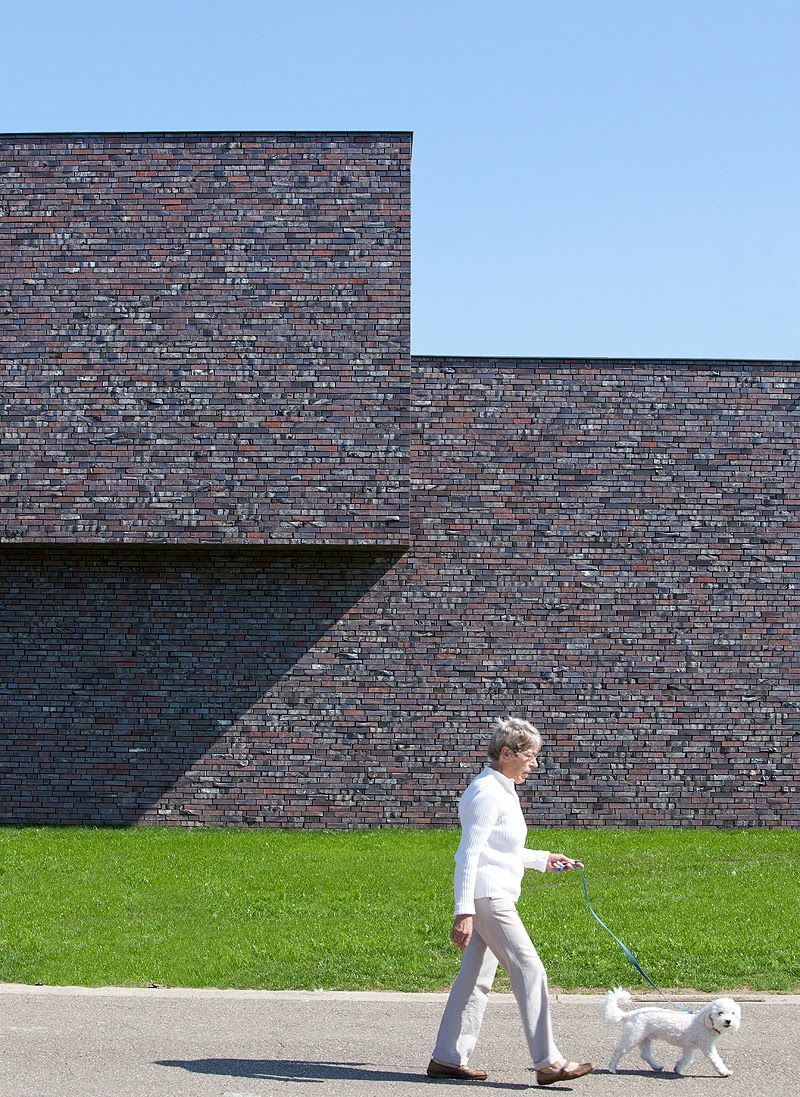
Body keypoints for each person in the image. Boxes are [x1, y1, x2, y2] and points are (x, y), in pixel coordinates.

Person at [427, 717, 595, 1087]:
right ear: (507, 753)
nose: (534, 764)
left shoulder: (502, 790)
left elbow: (500, 850)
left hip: (492, 893)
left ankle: (447, 1058)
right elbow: (468, 856)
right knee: (530, 969)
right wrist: (463, 912)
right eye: (530, 756)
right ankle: (549, 1061)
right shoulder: (486, 792)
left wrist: (541, 859)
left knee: (474, 981)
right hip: (489, 899)